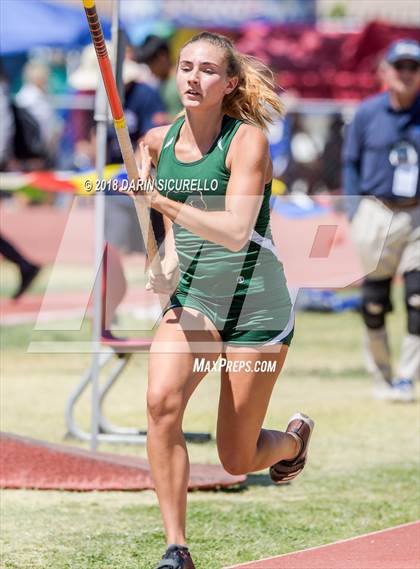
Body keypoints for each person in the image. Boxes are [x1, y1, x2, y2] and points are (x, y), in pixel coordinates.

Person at [133, 32, 315, 568]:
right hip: (196, 299)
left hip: (255, 308)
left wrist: (161, 198)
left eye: (208, 70)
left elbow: (236, 230)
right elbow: (156, 196)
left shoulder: (248, 143)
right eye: (186, 66)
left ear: (230, 82)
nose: (193, 77)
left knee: (236, 458)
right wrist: (165, 250)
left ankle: (293, 443)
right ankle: (176, 548)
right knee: (161, 403)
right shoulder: (152, 141)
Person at [343, 39, 420, 402]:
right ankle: (382, 374)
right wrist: (353, 210)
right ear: (385, 71)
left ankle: (407, 377)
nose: (406, 74)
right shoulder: (367, 113)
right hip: (376, 212)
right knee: (373, 301)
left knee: (418, 298)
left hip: (417, 213)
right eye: (399, 66)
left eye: (413, 67)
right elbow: (350, 162)